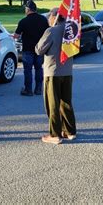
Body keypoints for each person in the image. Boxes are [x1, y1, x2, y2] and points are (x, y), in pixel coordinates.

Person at [35, 8, 77, 144]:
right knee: (66, 102)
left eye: (49, 18)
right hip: (67, 71)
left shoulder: (51, 31)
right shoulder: (71, 31)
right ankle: (70, 131)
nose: (48, 20)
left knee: (53, 104)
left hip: (52, 72)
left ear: (54, 17)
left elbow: (39, 50)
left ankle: (55, 134)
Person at [13, 0, 49, 96]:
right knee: (39, 69)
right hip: (40, 49)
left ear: (28, 9)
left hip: (27, 49)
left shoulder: (23, 21)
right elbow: (48, 32)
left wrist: (12, 35)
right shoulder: (43, 19)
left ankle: (28, 90)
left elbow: (16, 35)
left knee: (27, 70)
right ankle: (38, 89)